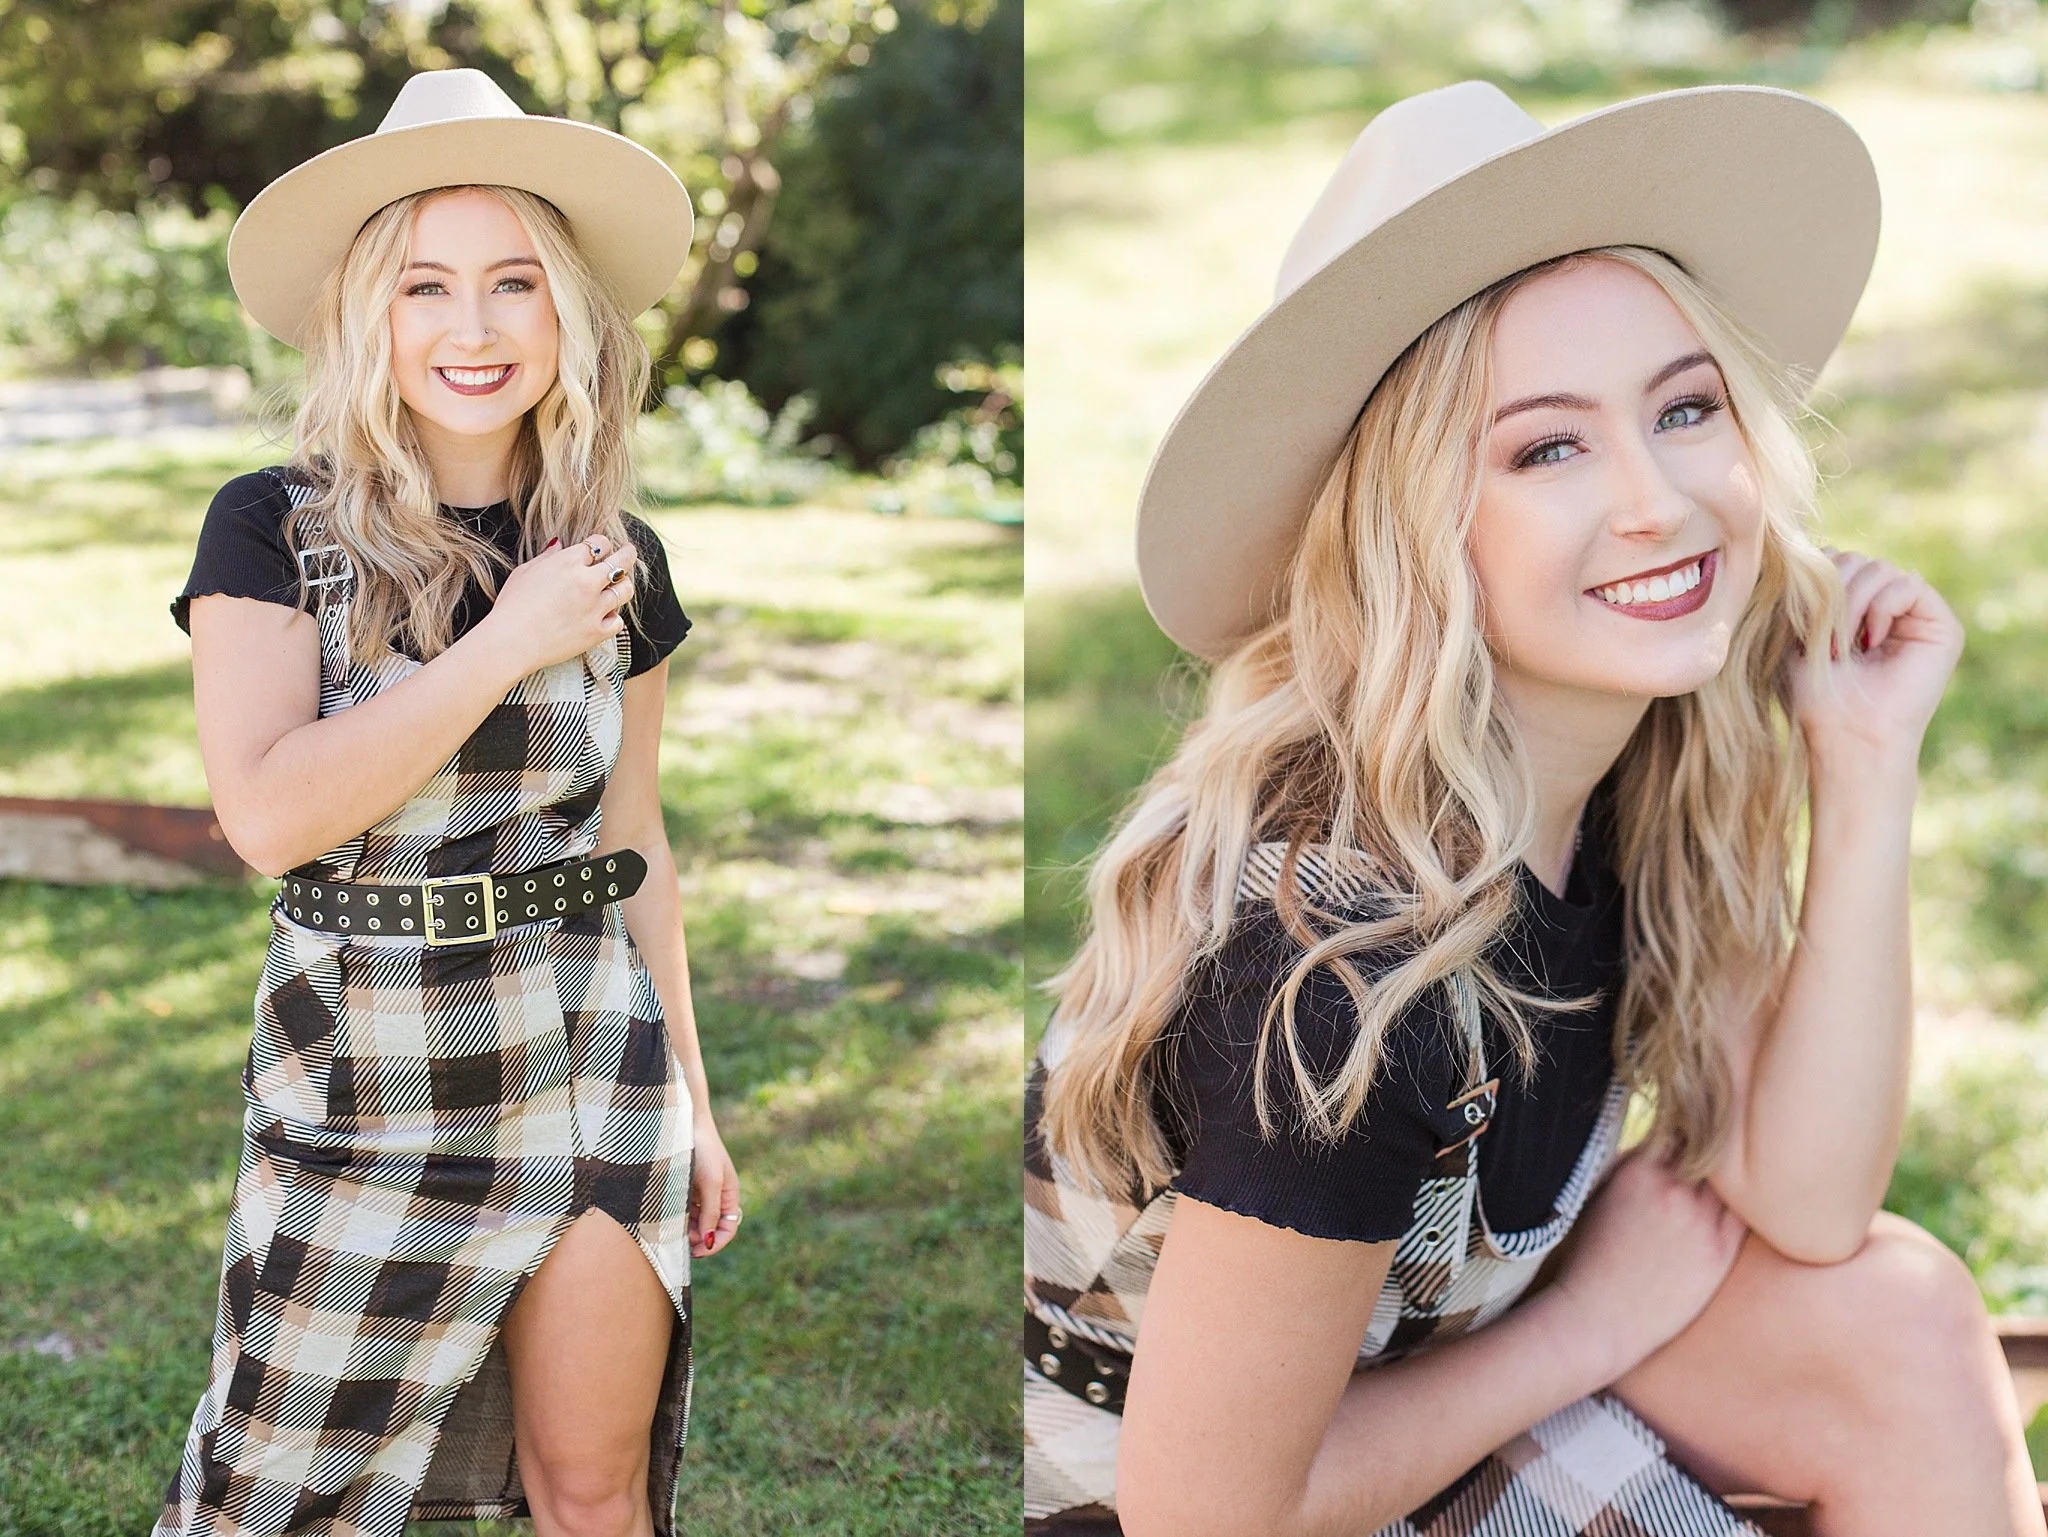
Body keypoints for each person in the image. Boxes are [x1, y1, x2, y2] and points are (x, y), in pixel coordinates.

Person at [1024, 81, 2043, 1536]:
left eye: (1685, 409)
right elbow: (1210, 1514)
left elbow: (1810, 1203)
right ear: (1414, 531)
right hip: (1152, 1491)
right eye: (1547, 448)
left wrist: (1865, 762)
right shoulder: (1331, 962)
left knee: (1900, 1312)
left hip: (1407, 1393)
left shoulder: (1644, 767)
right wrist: (1584, 1326)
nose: (1658, 501)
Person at [153, 68, 738, 1537]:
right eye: (426, 286)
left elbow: (633, 838)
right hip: (373, 1068)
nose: (472, 329)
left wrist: (694, 1099)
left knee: (594, 1487)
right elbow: (269, 818)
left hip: (595, 1051)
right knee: (274, 1499)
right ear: (370, 312)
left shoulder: (613, 555)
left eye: (512, 283)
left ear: (567, 312)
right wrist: (505, 641)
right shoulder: (272, 528)